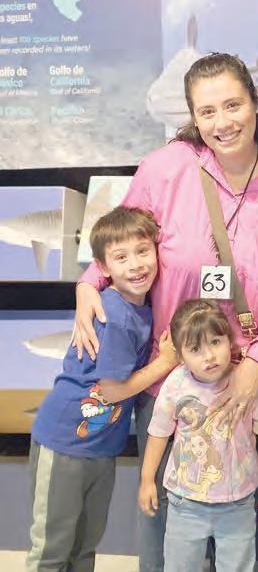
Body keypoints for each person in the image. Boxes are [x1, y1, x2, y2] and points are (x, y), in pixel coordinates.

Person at [73, 52, 258, 571]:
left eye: (233, 105)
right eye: (206, 111)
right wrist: (87, 283)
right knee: (166, 526)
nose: (222, 122)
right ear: (192, 116)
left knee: (241, 525)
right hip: (171, 375)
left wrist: (256, 364)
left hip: (245, 380)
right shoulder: (167, 168)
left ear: (256, 103)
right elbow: (122, 238)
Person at [27, 207, 179, 572]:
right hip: (65, 442)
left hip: (99, 446)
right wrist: (166, 362)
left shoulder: (140, 307)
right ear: (103, 267)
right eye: (121, 257)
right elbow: (111, 392)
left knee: (84, 546)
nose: (136, 265)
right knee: (51, 548)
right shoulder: (116, 314)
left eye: (143, 251)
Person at [139, 298, 258, 572]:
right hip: (185, 502)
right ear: (181, 355)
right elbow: (158, 433)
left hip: (238, 502)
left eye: (216, 342)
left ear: (230, 340)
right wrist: (147, 480)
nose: (209, 356)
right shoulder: (176, 384)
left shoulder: (248, 384)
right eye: (195, 349)